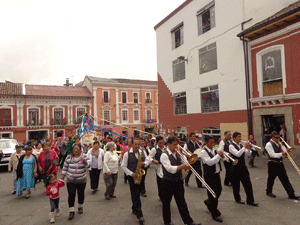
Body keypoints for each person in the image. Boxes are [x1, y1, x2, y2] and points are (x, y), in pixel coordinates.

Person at [160, 136, 201, 225]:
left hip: (178, 181)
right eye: (174, 145)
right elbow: (169, 168)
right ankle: (167, 222)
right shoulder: (164, 155)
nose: (176, 147)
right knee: (166, 203)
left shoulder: (178, 153)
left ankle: (189, 221)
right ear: (169, 144)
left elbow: (186, 163)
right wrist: (182, 166)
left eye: (177, 145)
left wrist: (182, 156)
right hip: (167, 182)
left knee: (182, 202)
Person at [121, 138, 151, 225]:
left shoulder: (142, 151)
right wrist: (131, 173)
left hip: (140, 175)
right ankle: (140, 215)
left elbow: (148, 159)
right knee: (135, 194)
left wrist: (144, 163)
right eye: (136, 144)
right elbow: (123, 166)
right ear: (132, 144)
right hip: (132, 176)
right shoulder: (127, 154)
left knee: (137, 194)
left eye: (139, 144)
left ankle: (134, 208)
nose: (137, 146)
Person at [265, 131, 300, 199]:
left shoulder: (279, 143)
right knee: (271, 179)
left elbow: (285, 151)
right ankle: (268, 191)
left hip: (280, 163)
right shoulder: (268, 144)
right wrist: (282, 154)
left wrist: (284, 147)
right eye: (276, 137)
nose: (278, 139)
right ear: (272, 137)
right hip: (272, 163)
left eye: (279, 137)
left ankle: (291, 194)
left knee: (285, 179)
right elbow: (272, 154)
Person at [61, 143, 90, 220]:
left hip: (81, 180)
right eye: (74, 149)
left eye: (77, 149)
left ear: (80, 149)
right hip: (70, 180)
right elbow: (65, 167)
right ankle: (71, 211)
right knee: (71, 195)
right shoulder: (69, 157)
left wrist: (84, 161)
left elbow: (89, 166)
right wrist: (63, 176)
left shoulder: (85, 156)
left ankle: (80, 206)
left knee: (81, 194)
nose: (76, 150)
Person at [229, 132, 259, 206]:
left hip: (243, 167)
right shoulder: (231, 146)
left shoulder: (241, 145)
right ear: (234, 138)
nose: (240, 138)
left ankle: (250, 200)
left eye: (240, 136)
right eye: (238, 137)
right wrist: (244, 147)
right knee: (236, 185)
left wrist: (249, 148)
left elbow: (248, 154)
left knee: (248, 183)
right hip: (235, 167)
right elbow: (237, 154)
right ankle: (237, 199)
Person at [201, 136, 224, 222]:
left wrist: (223, 156)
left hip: (216, 174)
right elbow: (210, 162)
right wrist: (218, 155)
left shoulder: (215, 150)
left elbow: (218, 160)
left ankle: (209, 202)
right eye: (211, 143)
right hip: (209, 175)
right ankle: (214, 213)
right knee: (213, 194)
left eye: (213, 142)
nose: (213, 144)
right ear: (206, 143)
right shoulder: (203, 152)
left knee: (219, 190)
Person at [147, 136, 165, 201]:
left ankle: (164, 195)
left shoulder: (165, 148)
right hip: (159, 167)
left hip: (165, 167)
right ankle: (161, 195)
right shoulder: (154, 149)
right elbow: (149, 157)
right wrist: (153, 160)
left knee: (164, 182)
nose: (162, 144)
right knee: (160, 182)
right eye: (160, 143)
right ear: (157, 143)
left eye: (162, 143)